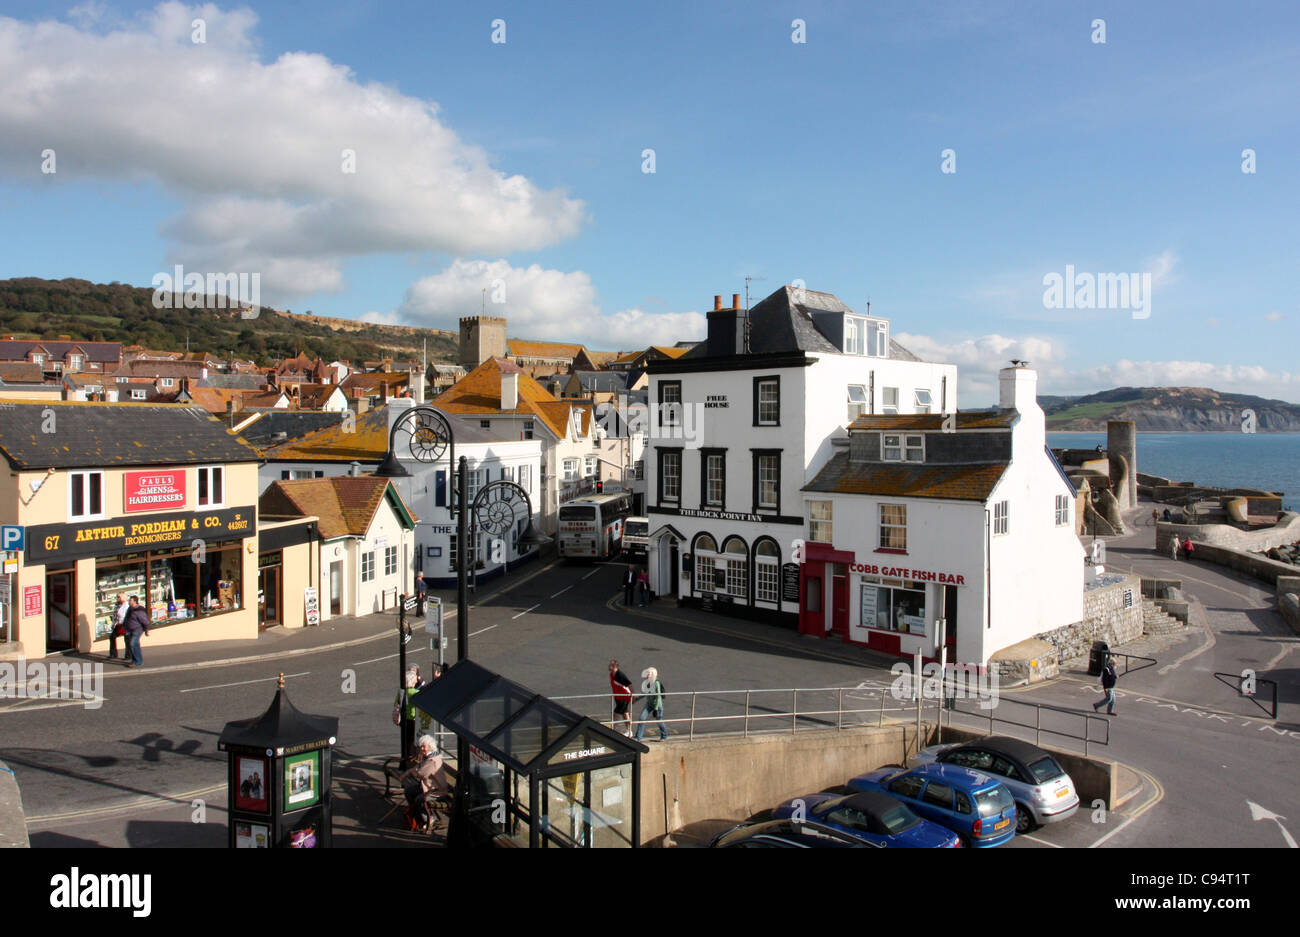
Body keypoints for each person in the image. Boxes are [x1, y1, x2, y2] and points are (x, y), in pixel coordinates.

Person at [399, 734, 450, 831]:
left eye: (424, 746)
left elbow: (421, 774)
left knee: (419, 799)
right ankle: (417, 814)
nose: (421, 749)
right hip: (426, 787)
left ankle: (429, 818)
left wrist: (411, 772)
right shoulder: (427, 757)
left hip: (436, 791)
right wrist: (409, 772)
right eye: (420, 746)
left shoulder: (432, 760)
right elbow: (418, 768)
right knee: (409, 791)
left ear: (430, 746)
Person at [394, 667, 431, 762]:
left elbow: (396, 703)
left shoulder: (401, 691)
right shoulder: (414, 693)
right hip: (412, 719)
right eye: (415, 678)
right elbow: (427, 694)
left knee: (406, 739)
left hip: (403, 719)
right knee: (412, 740)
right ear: (412, 680)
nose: (416, 679)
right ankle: (411, 757)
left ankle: (406, 756)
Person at [635, 666, 669, 742]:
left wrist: (656, 709)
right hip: (649, 704)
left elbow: (658, 696)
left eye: (648, 673)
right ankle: (638, 737)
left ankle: (664, 736)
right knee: (642, 718)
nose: (647, 674)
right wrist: (636, 699)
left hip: (657, 705)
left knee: (659, 720)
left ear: (653, 674)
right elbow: (644, 693)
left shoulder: (656, 683)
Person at [123, 595, 150, 668]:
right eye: (129, 600)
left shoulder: (139, 610)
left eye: (130, 600)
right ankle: (136, 660)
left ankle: (138, 661)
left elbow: (145, 621)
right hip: (130, 629)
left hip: (137, 630)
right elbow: (127, 618)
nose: (129, 602)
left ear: (135, 601)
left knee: (132, 644)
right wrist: (124, 626)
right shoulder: (130, 609)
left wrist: (147, 630)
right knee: (135, 645)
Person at [609, 660, 634, 736]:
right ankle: (629, 731)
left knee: (616, 713)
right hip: (618, 697)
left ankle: (613, 730)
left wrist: (633, 696)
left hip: (624, 697)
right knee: (625, 714)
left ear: (615, 666)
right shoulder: (611, 674)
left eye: (610, 665)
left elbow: (629, 684)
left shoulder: (620, 675)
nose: (609, 666)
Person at [109, 594, 127, 659]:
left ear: (123, 597)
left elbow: (123, 615)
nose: (118, 598)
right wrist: (113, 624)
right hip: (117, 624)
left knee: (127, 639)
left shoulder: (126, 605)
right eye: (117, 597)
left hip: (124, 624)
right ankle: (113, 654)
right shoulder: (117, 605)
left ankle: (128, 656)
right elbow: (115, 615)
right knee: (112, 637)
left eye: (119, 597)